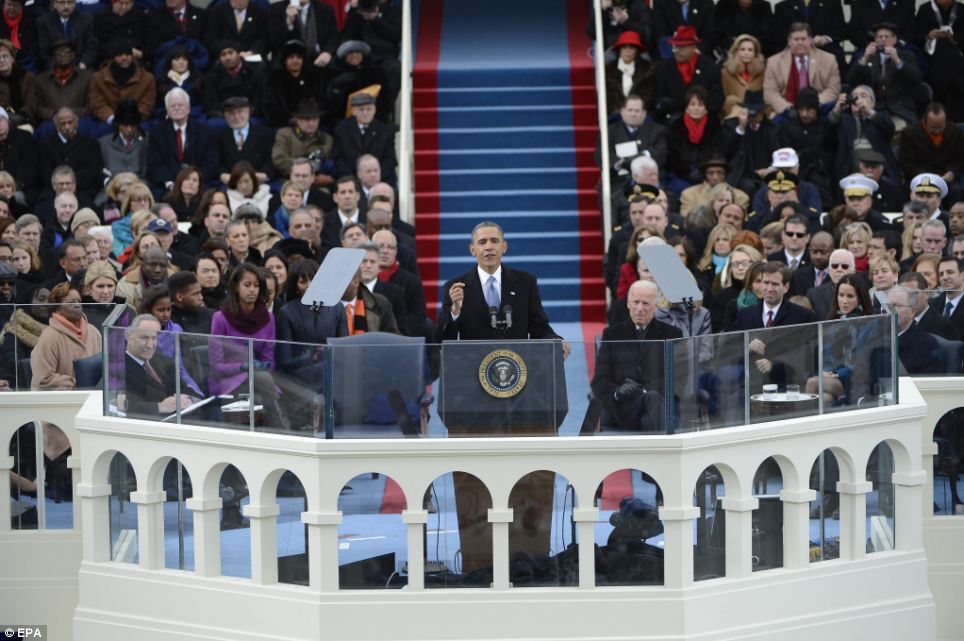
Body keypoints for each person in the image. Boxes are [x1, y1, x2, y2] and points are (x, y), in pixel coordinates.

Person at [436, 221, 567, 353]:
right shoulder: (456, 287)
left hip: (517, 365)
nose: (488, 247)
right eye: (482, 242)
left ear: (504, 246)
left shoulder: (525, 282)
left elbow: (538, 326)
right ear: (472, 249)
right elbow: (442, 340)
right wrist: (455, 311)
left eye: (494, 241)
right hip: (473, 364)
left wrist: (555, 340)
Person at [592, 279, 682, 433]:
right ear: (628, 304)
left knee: (652, 401)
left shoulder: (672, 334)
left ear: (656, 305)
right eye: (636, 302)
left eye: (645, 304)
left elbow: (677, 377)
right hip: (622, 406)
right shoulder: (612, 333)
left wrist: (643, 391)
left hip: (656, 403)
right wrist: (617, 391)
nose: (640, 308)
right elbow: (600, 379)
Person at [209, 263, 288, 429]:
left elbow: (269, 360)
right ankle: (282, 432)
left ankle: (276, 435)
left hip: (260, 382)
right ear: (236, 287)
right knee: (264, 382)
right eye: (247, 285)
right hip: (228, 380)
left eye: (257, 286)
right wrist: (244, 367)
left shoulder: (268, 318)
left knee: (260, 397)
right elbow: (216, 365)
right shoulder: (220, 318)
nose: (252, 290)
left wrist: (263, 366)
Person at [122, 312, 200, 419]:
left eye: (154, 338)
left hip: (180, 418)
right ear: (128, 336)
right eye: (144, 338)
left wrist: (189, 399)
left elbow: (184, 388)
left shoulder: (162, 360)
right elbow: (118, 406)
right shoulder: (118, 368)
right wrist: (159, 407)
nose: (150, 345)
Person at [846, 23, 921, 130]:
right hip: (873, 108)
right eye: (879, 37)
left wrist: (898, 61)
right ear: (875, 40)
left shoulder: (907, 56)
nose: (883, 39)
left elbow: (916, 80)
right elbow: (851, 80)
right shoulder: (868, 57)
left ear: (894, 39)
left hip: (899, 109)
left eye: (887, 36)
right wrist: (865, 58)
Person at [30, 282, 101, 390]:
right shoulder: (50, 336)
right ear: (57, 307)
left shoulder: (93, 331)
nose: (77, 305)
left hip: (93, 398)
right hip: (61, 401)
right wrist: (76, 384)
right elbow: (43, 379)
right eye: (71, 302)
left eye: (79, 301)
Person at [762, 22, 840, 118]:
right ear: (789, 41)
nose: (800, 42)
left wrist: (812, 105)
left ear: (810, 40)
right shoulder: (773, 62)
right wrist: (788, 109)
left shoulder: (829, 59)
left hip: (818, 110)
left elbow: (833, 89)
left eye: (803, 39)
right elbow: (770, 93)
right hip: (786, 113)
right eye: (796, 39)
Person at [331, 92, 397, 183]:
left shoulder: (385, 131)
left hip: (379, 180)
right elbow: (338, 159)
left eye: (369, 109)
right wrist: (353, 179)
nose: (365, 113)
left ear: (374, 110)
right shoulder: (341, 130)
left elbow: (390, 159)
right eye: (361, 110)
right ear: (354, 111)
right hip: (350, 181)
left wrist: (375, 177)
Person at [88, 37, 155, 124]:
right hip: (107, 122)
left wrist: (131, 120)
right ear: (113, 57)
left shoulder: (147, 79)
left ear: (132, 55)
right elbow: (97, 103)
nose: (124, 57)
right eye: (119, 54)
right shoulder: (98, 78)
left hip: (137, 122)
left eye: (127, 54)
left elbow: (147, 104)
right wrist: (112, 119)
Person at [215, 96, 275, 183]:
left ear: (248, 112)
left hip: (258, 183)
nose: (236, 116)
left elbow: (271, 161)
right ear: (225, 116)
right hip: (230, 183)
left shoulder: (266, 134)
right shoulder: (219, 137)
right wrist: (222, 175)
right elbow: (216, 163)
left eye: (240, 112)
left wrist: (265, 174)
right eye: (231, 113)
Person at [888, 286, 942, 374]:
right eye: (888, 305)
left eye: (896, 305)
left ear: (912, 312)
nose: (889, 310)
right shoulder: (876, 338)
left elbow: (925, 385)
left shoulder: (927, 345)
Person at [604, 32, 655, 115]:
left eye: (632, 47)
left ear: (637, 51)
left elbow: (649, 96)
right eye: (624, 47)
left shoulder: (648, 70)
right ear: (619, 50)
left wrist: (634, 112)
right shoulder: (608, 71)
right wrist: (621, 113)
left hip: (640, 115)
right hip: (615, 115)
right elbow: (607, 98)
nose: (628, 50)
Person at [721, 34, 766, 119]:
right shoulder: (725, 73)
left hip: (756, 118)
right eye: (742, 49)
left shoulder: (763, 73)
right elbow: (723, 100)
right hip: (733, 117)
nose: (746, 53)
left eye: (750, 50)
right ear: (736, 51)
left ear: (755, 53)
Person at [931, 257, 964, 340]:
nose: (944, 277)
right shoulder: (932, 304)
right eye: (941, 274)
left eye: (950, 272)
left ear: (962, 275)